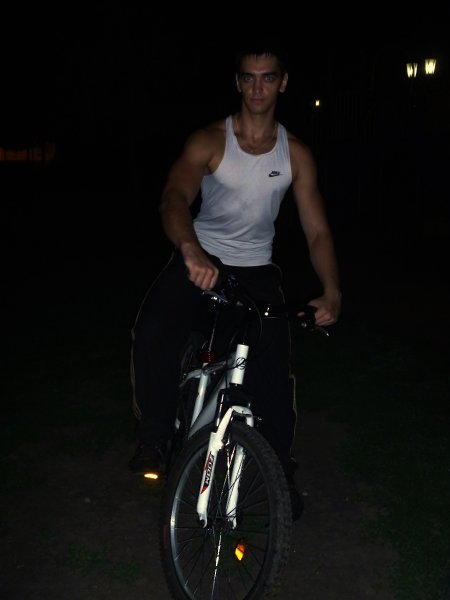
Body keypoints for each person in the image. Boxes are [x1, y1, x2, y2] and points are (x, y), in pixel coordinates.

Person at [129, 40, 342, 520]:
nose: (257, 87)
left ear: (283, 83)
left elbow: (318, 231)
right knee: (153, 331)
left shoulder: (295, 154)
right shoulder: (209, 140)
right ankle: (154, 438)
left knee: (273, 373)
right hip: (200, 257)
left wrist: (332, 290)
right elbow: (173, 198)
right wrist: (190, 249)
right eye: (249, 77)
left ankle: (280, 473)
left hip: (257, 270)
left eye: (268, 77)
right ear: (238, 83)